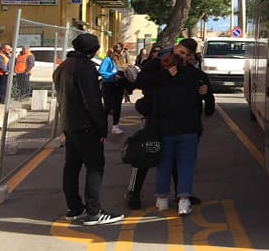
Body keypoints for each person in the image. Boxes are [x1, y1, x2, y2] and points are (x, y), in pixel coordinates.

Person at [129, 39, 210, 215]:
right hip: (156, 125)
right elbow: (141, 82)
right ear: (175, 49)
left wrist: (204, 92)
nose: (182, 57)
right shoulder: (157, 66)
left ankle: (168, 197)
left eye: (187, 55)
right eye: (181, 52)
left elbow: (204, 96)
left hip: (164, 126)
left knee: (165, 162)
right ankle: (136, 193)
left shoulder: (191, 73)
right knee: (148, 157)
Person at [53, 33, 124, 226]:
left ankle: (74, 208)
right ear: (92, 50)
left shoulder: (63, 67)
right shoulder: (85, 68)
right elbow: (92, 101)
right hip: (86, 126)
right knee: (95, 167)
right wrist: (102, 128)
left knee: (72, 167)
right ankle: (94, 211)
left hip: (69, 125)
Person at [98, 49, 125, 134]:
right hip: (108, 85)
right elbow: (101, 71)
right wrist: (113, 76)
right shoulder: (107, 60)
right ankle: (101, 126)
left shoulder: (120, 60)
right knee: (108, 106)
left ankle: (115, 126)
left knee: (117, 106)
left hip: (118, 85)